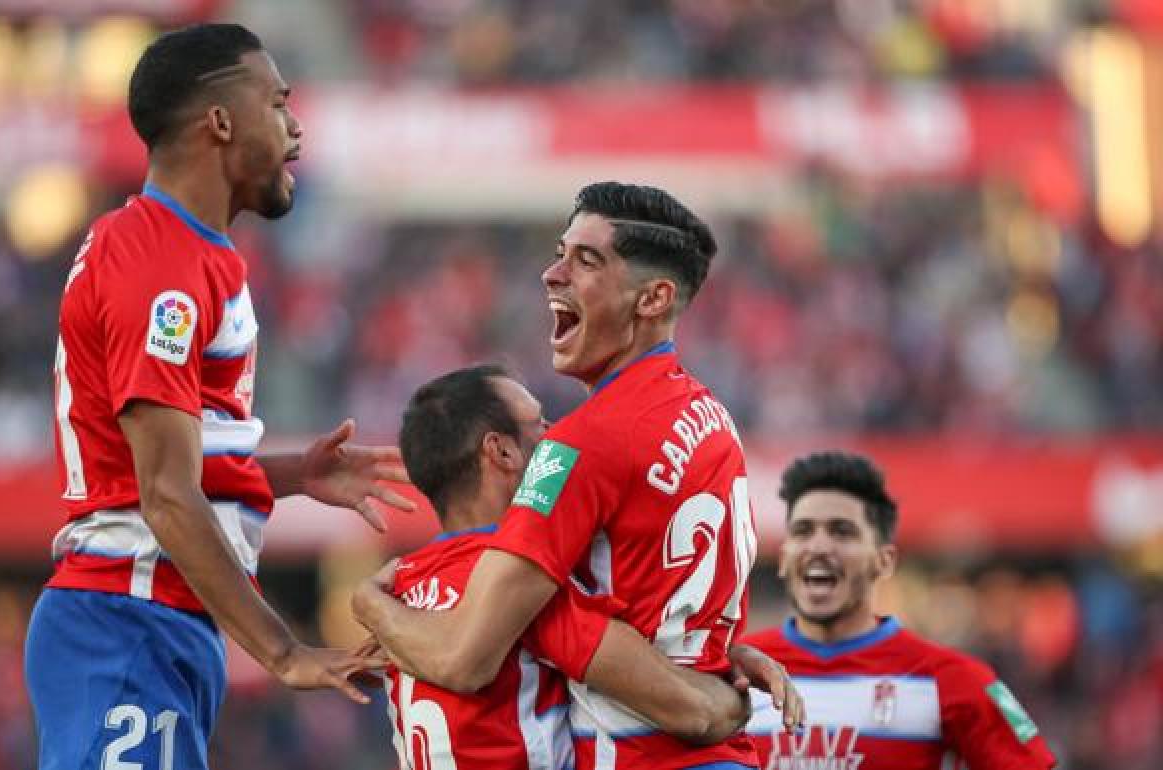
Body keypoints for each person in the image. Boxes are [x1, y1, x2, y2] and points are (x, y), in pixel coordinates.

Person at [24, 24, 410, 770]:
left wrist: (292, 476)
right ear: (222, 122)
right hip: (126, 617)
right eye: (277, 103)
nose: (296, 126)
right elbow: (164, 495)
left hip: (151, 620)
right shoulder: (161, 264)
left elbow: (164, 472)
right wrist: (283, 650)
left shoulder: (190, 253)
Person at [354, 181, 802, 770]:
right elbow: (658, 609)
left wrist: (370, 605)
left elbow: (466, 659)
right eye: (560, 253)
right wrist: (718, 662)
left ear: (653, 299)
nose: (552, 273)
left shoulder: (582, 444)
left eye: (586, 260)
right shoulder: (711, 416)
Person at [376, 364, 758, 768]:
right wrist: (735, 700)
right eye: (539, 424)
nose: (556, 432)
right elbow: (691, 711)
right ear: (501, 452)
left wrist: (367, 605)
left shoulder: (398, 586)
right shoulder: (523, 590)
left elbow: (313, 667)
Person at [739, 451, 1057, 770]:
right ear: (782, 558)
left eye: (842, 531)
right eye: (803, 531)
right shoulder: (739, 674)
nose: (819, 547)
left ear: (885, 561)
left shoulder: (951, 679)